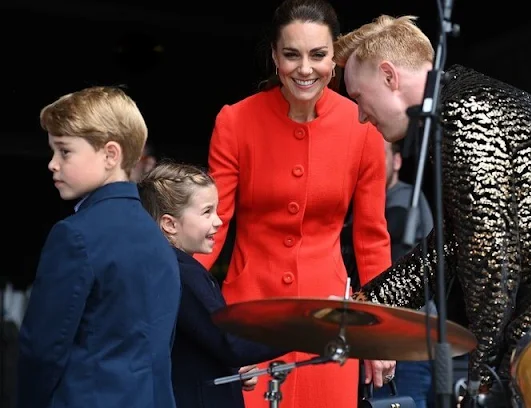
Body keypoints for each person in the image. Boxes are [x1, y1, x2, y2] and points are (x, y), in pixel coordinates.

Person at [334, 14, 531, 402]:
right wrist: (367, 305)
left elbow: (489, 256)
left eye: (359, 98)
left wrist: (480, 377)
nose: (360, 115)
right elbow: (454, 244)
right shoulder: (474, 98)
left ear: (389, 76)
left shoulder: (464, 112)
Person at [193, 1, 395, 407]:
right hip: (249, 320)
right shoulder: (235, 121)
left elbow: (371, 239)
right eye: (291, 54)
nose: (305, 69)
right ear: (274, 56)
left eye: (318, 55)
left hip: (329, 324)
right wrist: (185, 311)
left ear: (333, 59)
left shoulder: (362, 127)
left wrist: (380, 332)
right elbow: (210, 227)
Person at [17, 86, 181, 408]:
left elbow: (42, 350)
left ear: (110, 155)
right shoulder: (158, 238)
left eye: (64, 151)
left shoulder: (74, 236)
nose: (52, 163)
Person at [138, 161, 289, 408]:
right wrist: (306, 330)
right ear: (170, 224)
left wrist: (231, 368)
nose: (218, 221)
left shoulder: (163, 267)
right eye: (207, 212)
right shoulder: (184, 273)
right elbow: (230, 342)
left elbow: (198, 344)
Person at [373, 140, 436, 408]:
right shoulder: (360, 206)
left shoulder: (406, 199)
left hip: (409, 339)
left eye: (380, 156)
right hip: (375, 339)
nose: (372, 164)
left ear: (397, 162)